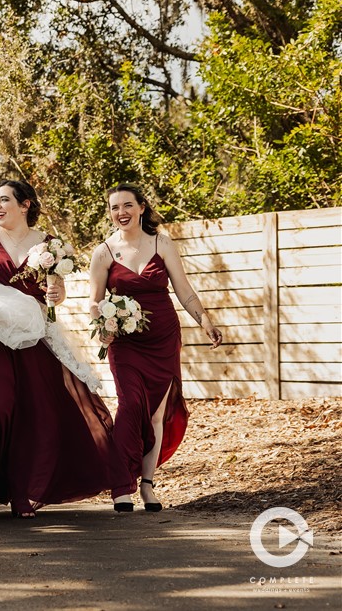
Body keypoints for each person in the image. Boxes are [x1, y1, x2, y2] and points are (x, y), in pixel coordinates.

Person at [0, 179, 113, 517]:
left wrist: (58, 295)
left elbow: (56, 287)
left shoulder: (49, 243)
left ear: (25, 205)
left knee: (35, 412)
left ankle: (24, 492)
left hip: (33, 336)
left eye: (4, 200)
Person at [88, 183, 222, 512]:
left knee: (157, 414)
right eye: (115, 207)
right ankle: (122, 486)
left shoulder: (162, 243)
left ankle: (147, 485)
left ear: (142, 208)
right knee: (131, 405)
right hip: (126, 342)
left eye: (127, 205)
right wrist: (104, 326)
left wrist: (204, 320)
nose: (121, 212)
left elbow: (184, 290)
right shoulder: (103, 252)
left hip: (163, 337)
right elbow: (94, 301)